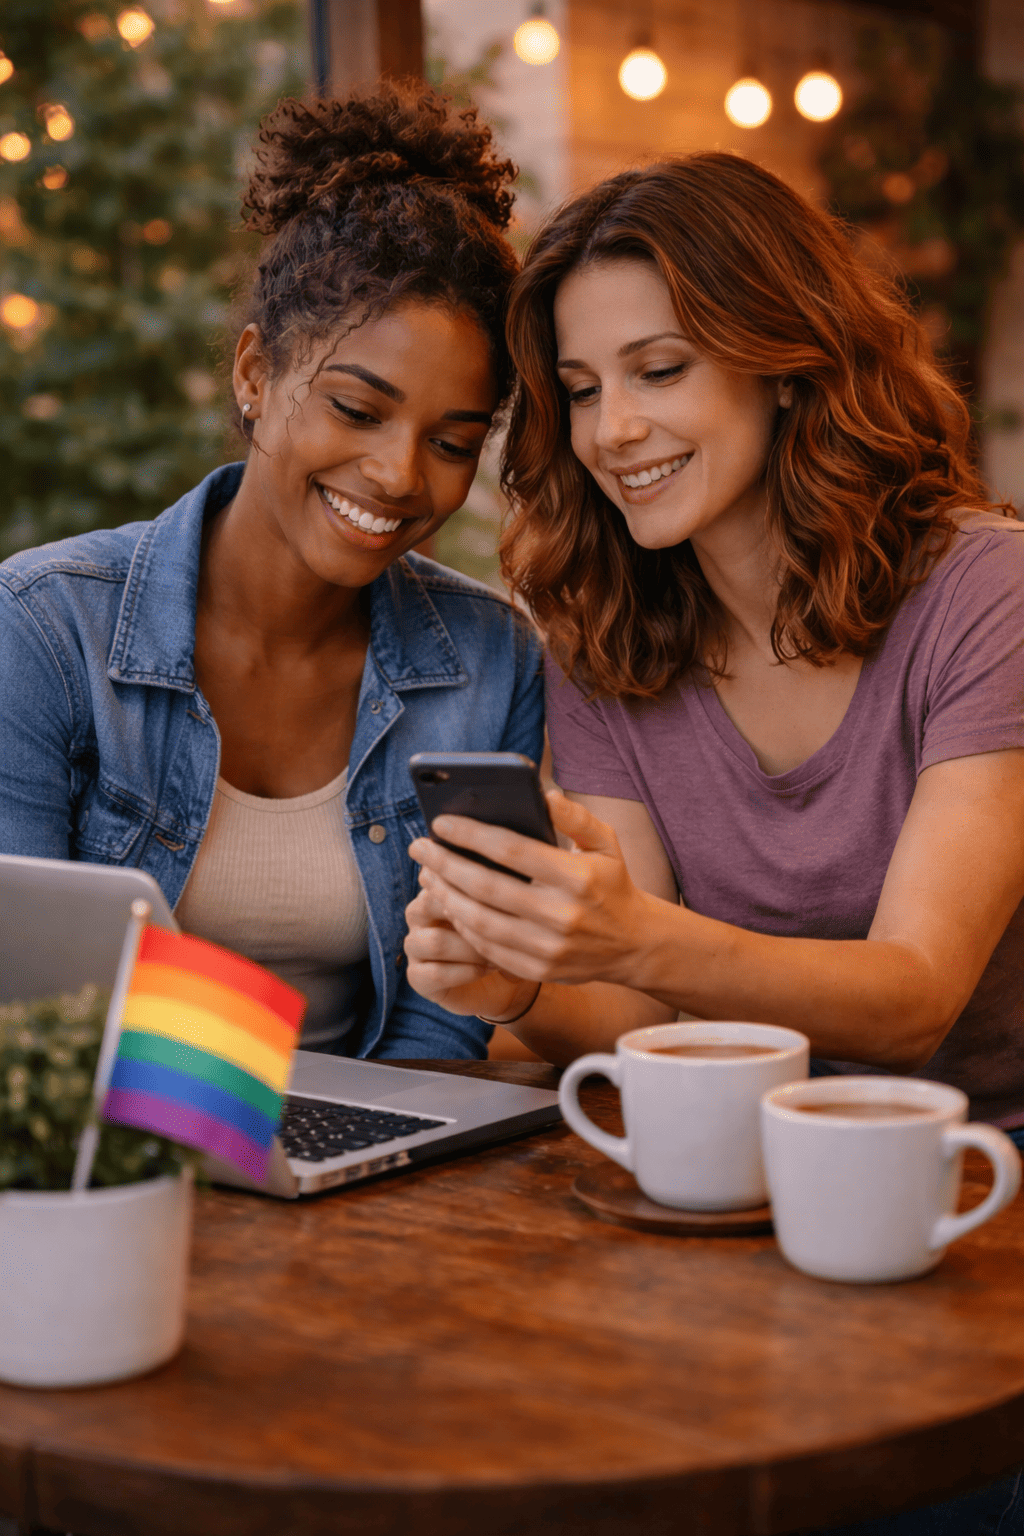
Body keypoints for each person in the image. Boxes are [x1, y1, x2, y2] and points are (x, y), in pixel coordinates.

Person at [404, 151, 1024, 1136]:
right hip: (739, 1146)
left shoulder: (986, 592)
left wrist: (635, 936)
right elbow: (641, 1018)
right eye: (582, 389)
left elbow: (914, 1001)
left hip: (982, 1166)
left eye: (658, 370)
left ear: (783, 362)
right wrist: (516, 984)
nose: (613, 431)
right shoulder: (602, 626)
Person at [0, 85, 542, 1060]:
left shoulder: (490, 660)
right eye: (356, 408)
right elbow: (31, 1010)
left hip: (371, 1162)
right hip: (112, 1158)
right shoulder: (44, 629)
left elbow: (444, 1020)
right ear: (255, 374)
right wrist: (254, 1126)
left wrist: (349, 1171)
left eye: (454, 441)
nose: (398, 474)